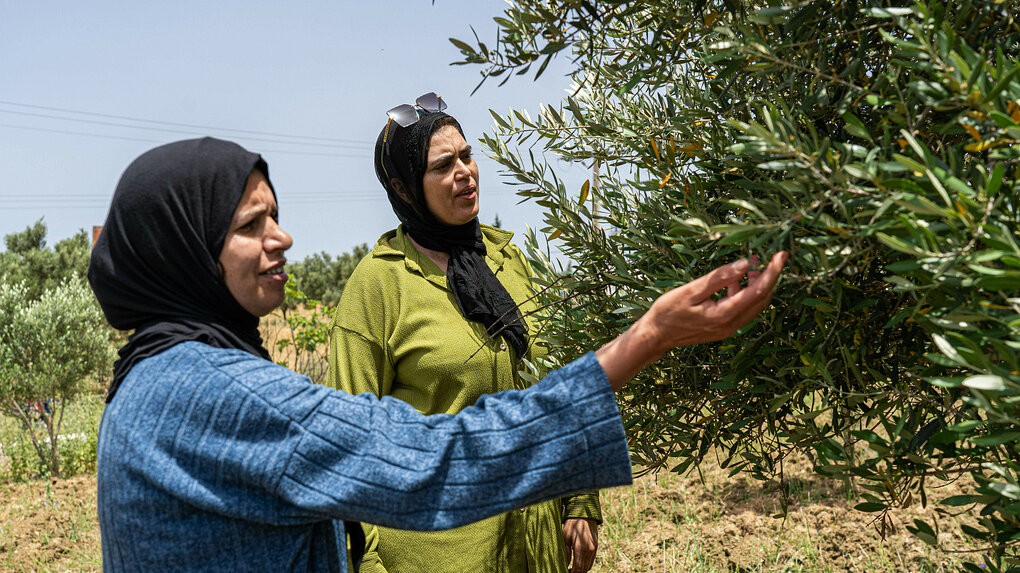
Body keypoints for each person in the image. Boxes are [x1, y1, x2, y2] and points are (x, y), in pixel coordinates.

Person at [88, 137, 786, 573]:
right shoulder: (214, 390)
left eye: (274, 214)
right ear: (178, 252)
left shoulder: (150, 379)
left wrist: (579, 498)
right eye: (249, 225)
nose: (283, 238)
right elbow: (419, 456)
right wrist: (648, 338)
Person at [327, 95, 601, 573]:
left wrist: (580, 499)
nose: (465, 172)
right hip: (437, 555)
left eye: (467, 156)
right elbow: (346, 444)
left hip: (535, 549)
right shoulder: (379, 284)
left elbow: (558, 382)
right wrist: (365, 565)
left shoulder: (506, 262)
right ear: (404, 186)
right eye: (443, 165)